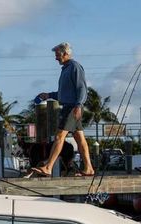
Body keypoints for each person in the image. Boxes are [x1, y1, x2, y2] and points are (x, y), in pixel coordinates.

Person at [31, 42, 95, 177]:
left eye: (58, 55)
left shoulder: (74, 67)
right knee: (80, 139)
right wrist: (48, 95)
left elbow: (82, 88)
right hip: (69, 106)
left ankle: (48, 166)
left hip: (72, 108)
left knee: (60, 136)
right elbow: (63, 94)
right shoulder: (65, 69)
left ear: (66, 54)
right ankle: (89, 168)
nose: (56, 58)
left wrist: (78, 105)